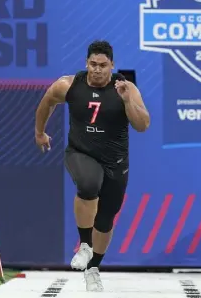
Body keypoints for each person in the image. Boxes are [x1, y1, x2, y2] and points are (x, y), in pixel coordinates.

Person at [35, 40, 150, 291]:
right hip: (81, 152)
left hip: (116, 161)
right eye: (93, 64)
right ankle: (84, 245)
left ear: (112, 65)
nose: (97, 70)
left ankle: (93, 267)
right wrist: (40, 132)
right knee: (88, 184)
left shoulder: (125, 87)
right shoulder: (69, 84)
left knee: (106, 218)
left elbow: (142, 125)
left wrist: (128, 101)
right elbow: (47, 102)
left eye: (103, 65)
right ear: (86, 63)